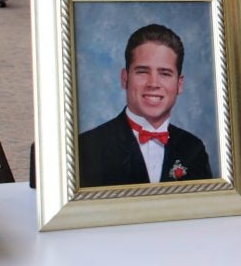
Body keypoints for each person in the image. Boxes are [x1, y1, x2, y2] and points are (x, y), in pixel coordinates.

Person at [79, 23, 212, 187]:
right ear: (125, 78)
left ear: (179, 84)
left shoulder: (193, 149)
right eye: (142, 71)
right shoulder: (87, 148)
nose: (153, 83)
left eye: (165, 73)